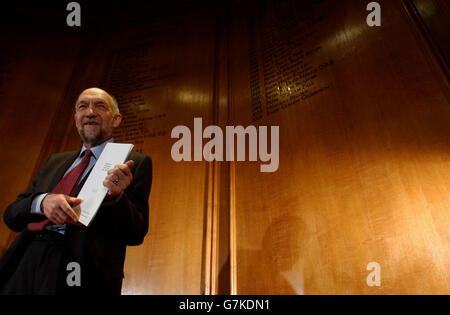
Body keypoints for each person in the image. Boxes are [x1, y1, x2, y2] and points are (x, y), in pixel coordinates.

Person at [0, 87, 152, 295]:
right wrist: (42, 202)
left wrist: (117, 198)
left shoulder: (133, 163)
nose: (90, 112)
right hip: (26, 260)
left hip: (82, 271)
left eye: (100, 106)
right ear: (76, 118)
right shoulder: (55, 160)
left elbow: (136, 233)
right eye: (83, 106)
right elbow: (12, 215)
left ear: (116, 119)